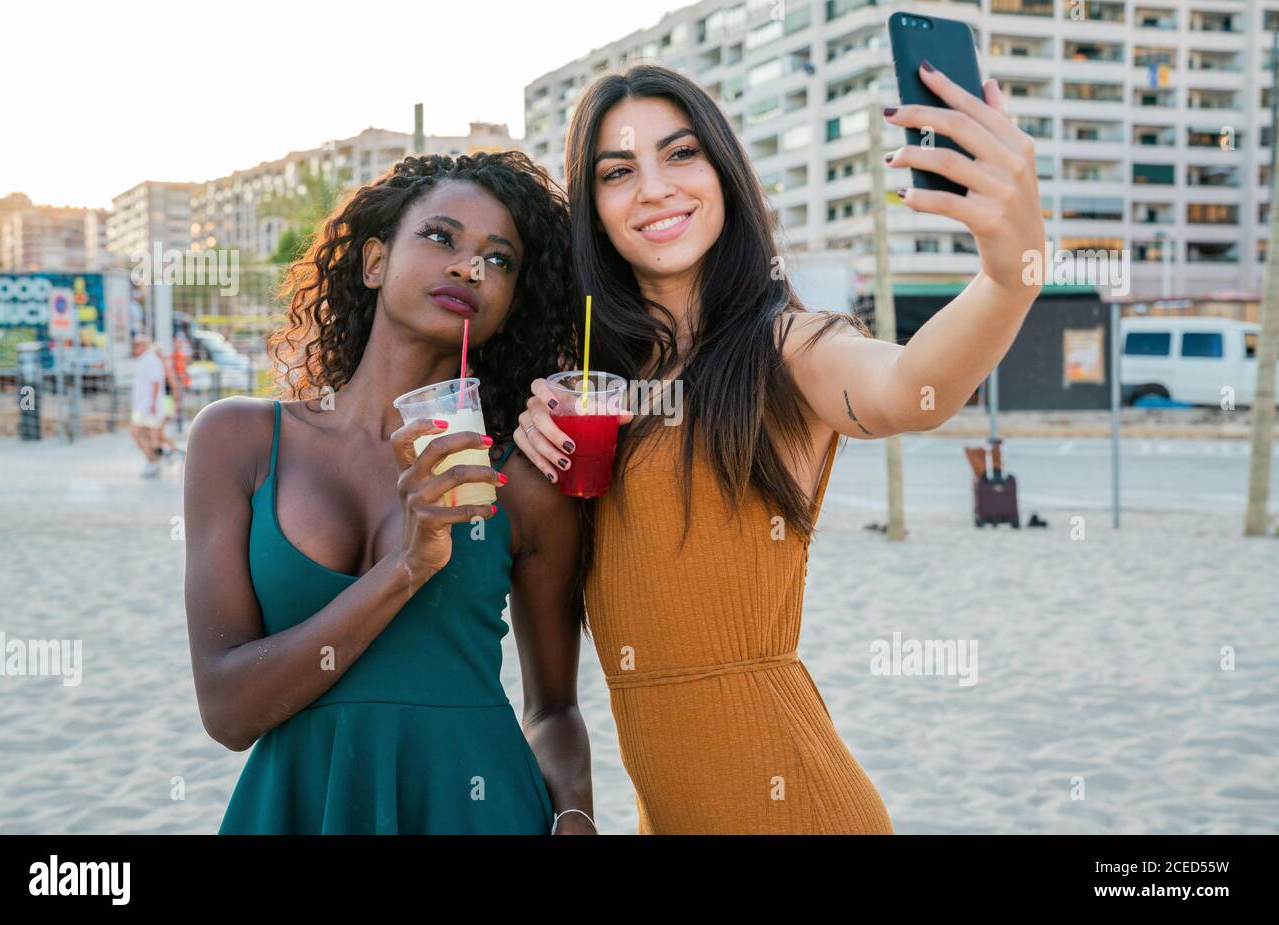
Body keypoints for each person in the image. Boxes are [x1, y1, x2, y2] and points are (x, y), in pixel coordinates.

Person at [512, 63, 1047, 833]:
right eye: (618, 171)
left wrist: (1010, 273)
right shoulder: (599, 384)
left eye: (682, 153)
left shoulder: (789, 345)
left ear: (724, 173)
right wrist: (535, 434)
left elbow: (908, 390)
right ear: (592, 208)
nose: (654, 187)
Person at [183, 152, 594, 834]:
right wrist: (408, 567)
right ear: (374, 262)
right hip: (301, 807)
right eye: (441, 237)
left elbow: (553, 710)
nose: (470, 267)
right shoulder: (238, 440)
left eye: (500, 260)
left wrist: (577, 813)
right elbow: (227, 711)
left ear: (509, 305)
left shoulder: (520, 481)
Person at [128, 334, 167, 478]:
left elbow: (156, 382)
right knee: (144, 434)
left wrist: (153, 403)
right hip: (142, 406)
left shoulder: (151, 361)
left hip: (148, 406)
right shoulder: (144, 360)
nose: (134, 348)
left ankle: (154, 461)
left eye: (137, 345)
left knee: (141, 433)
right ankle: (153, 460)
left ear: (144, 346)